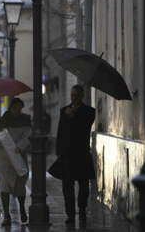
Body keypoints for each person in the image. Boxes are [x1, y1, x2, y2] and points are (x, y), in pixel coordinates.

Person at [56, 84, 96, 224]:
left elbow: (84, 128)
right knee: (67, 187)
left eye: (77, 95)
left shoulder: (89, 111)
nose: (74, 98)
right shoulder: (64, 111)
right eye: (72, 95)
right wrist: (59, 152)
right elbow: (60, 132)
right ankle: (70, 214)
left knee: (84, 186)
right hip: (67, 155)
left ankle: (82, 209)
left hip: (82, 154)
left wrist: (73, 117)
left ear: (82, 96)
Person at [0, 97, 31, 226]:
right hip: (4, 158)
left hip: (19, 157)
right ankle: (7, 216)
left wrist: (20, 147)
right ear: (11, 108)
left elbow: (28, 136)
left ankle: (22, 208)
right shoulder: (2, 121)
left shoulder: (26, 120)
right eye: (15, 107)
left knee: (20, 185)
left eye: (19, 108)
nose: (17, 110)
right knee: (4, 186)